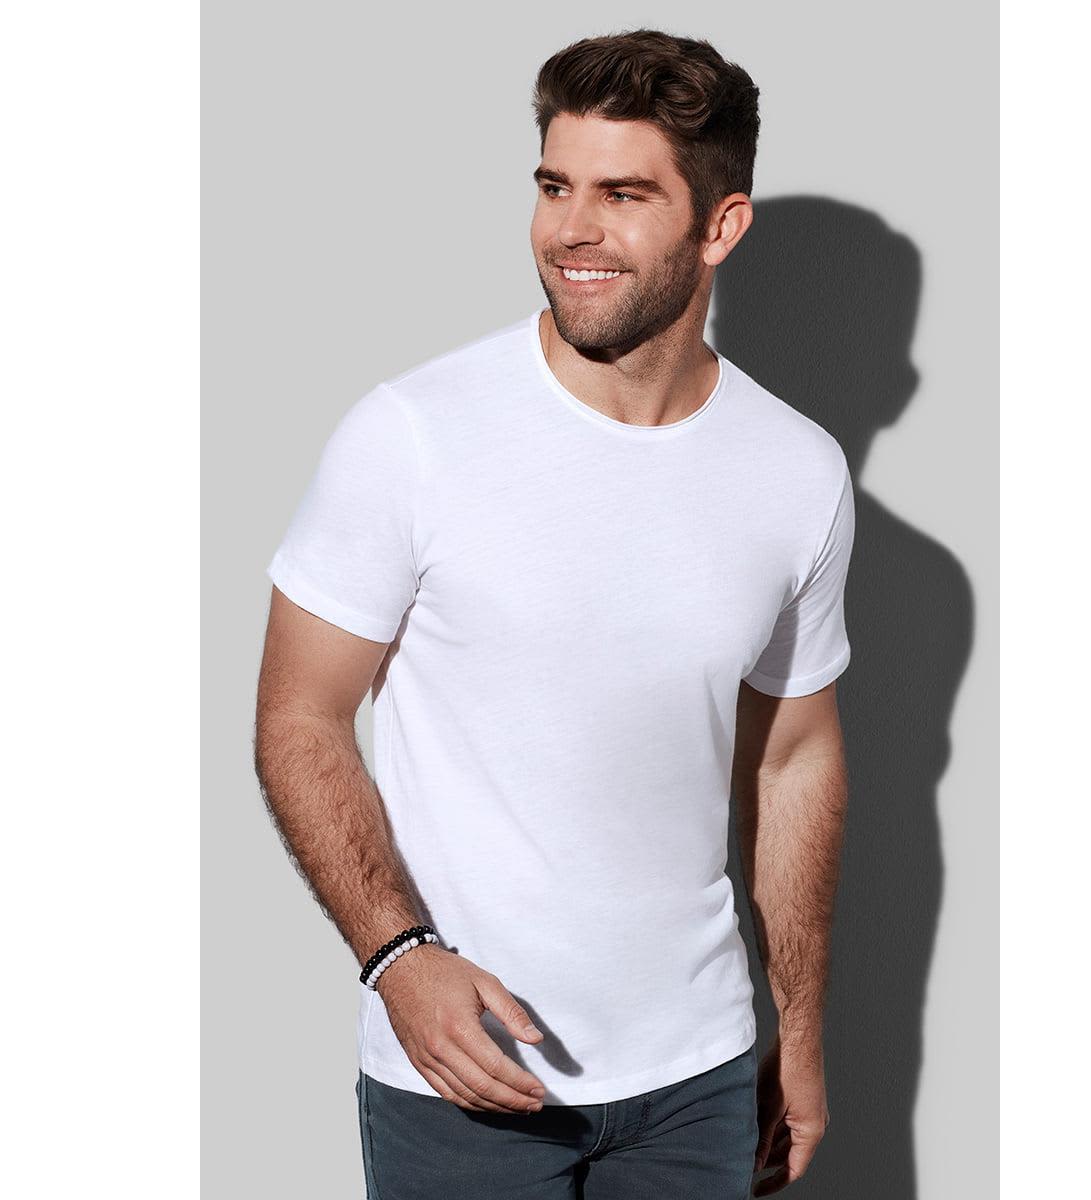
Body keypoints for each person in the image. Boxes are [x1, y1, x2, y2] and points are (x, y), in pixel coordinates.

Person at [255, 27, 855, 1200]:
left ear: (721, 225)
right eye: (553, 186)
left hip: (698, 1076)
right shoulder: (413, 436)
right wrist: (397, 959)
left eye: (622, 195)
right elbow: (299, 717)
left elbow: (794, 759)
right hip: (463, 1074)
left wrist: (799, 1032)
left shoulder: (798, 471)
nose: (570, 229)